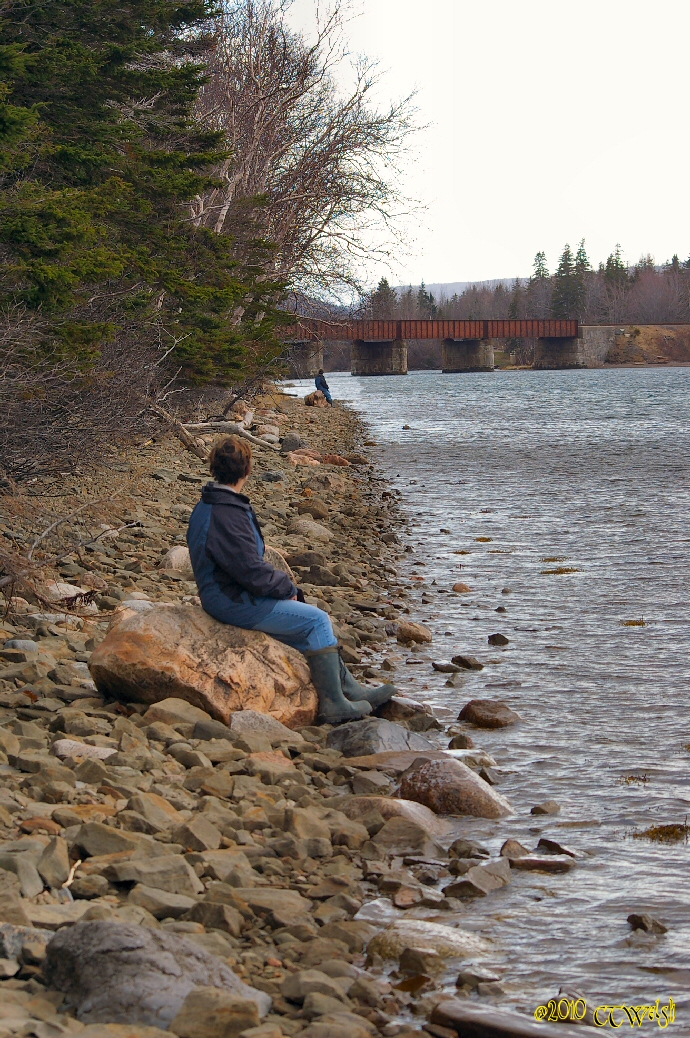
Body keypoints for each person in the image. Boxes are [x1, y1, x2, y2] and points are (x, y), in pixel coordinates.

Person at [187, 435, 395, 723]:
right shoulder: (227, 513)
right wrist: (287, 588)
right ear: (247, 470)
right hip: (229, 600)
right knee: (317, 620)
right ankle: (334, 702)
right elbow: (249, 570)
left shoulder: (212, 504)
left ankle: (349, 689)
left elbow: (243, 568)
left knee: (308, 617)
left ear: (214, 468)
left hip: (224, 592)